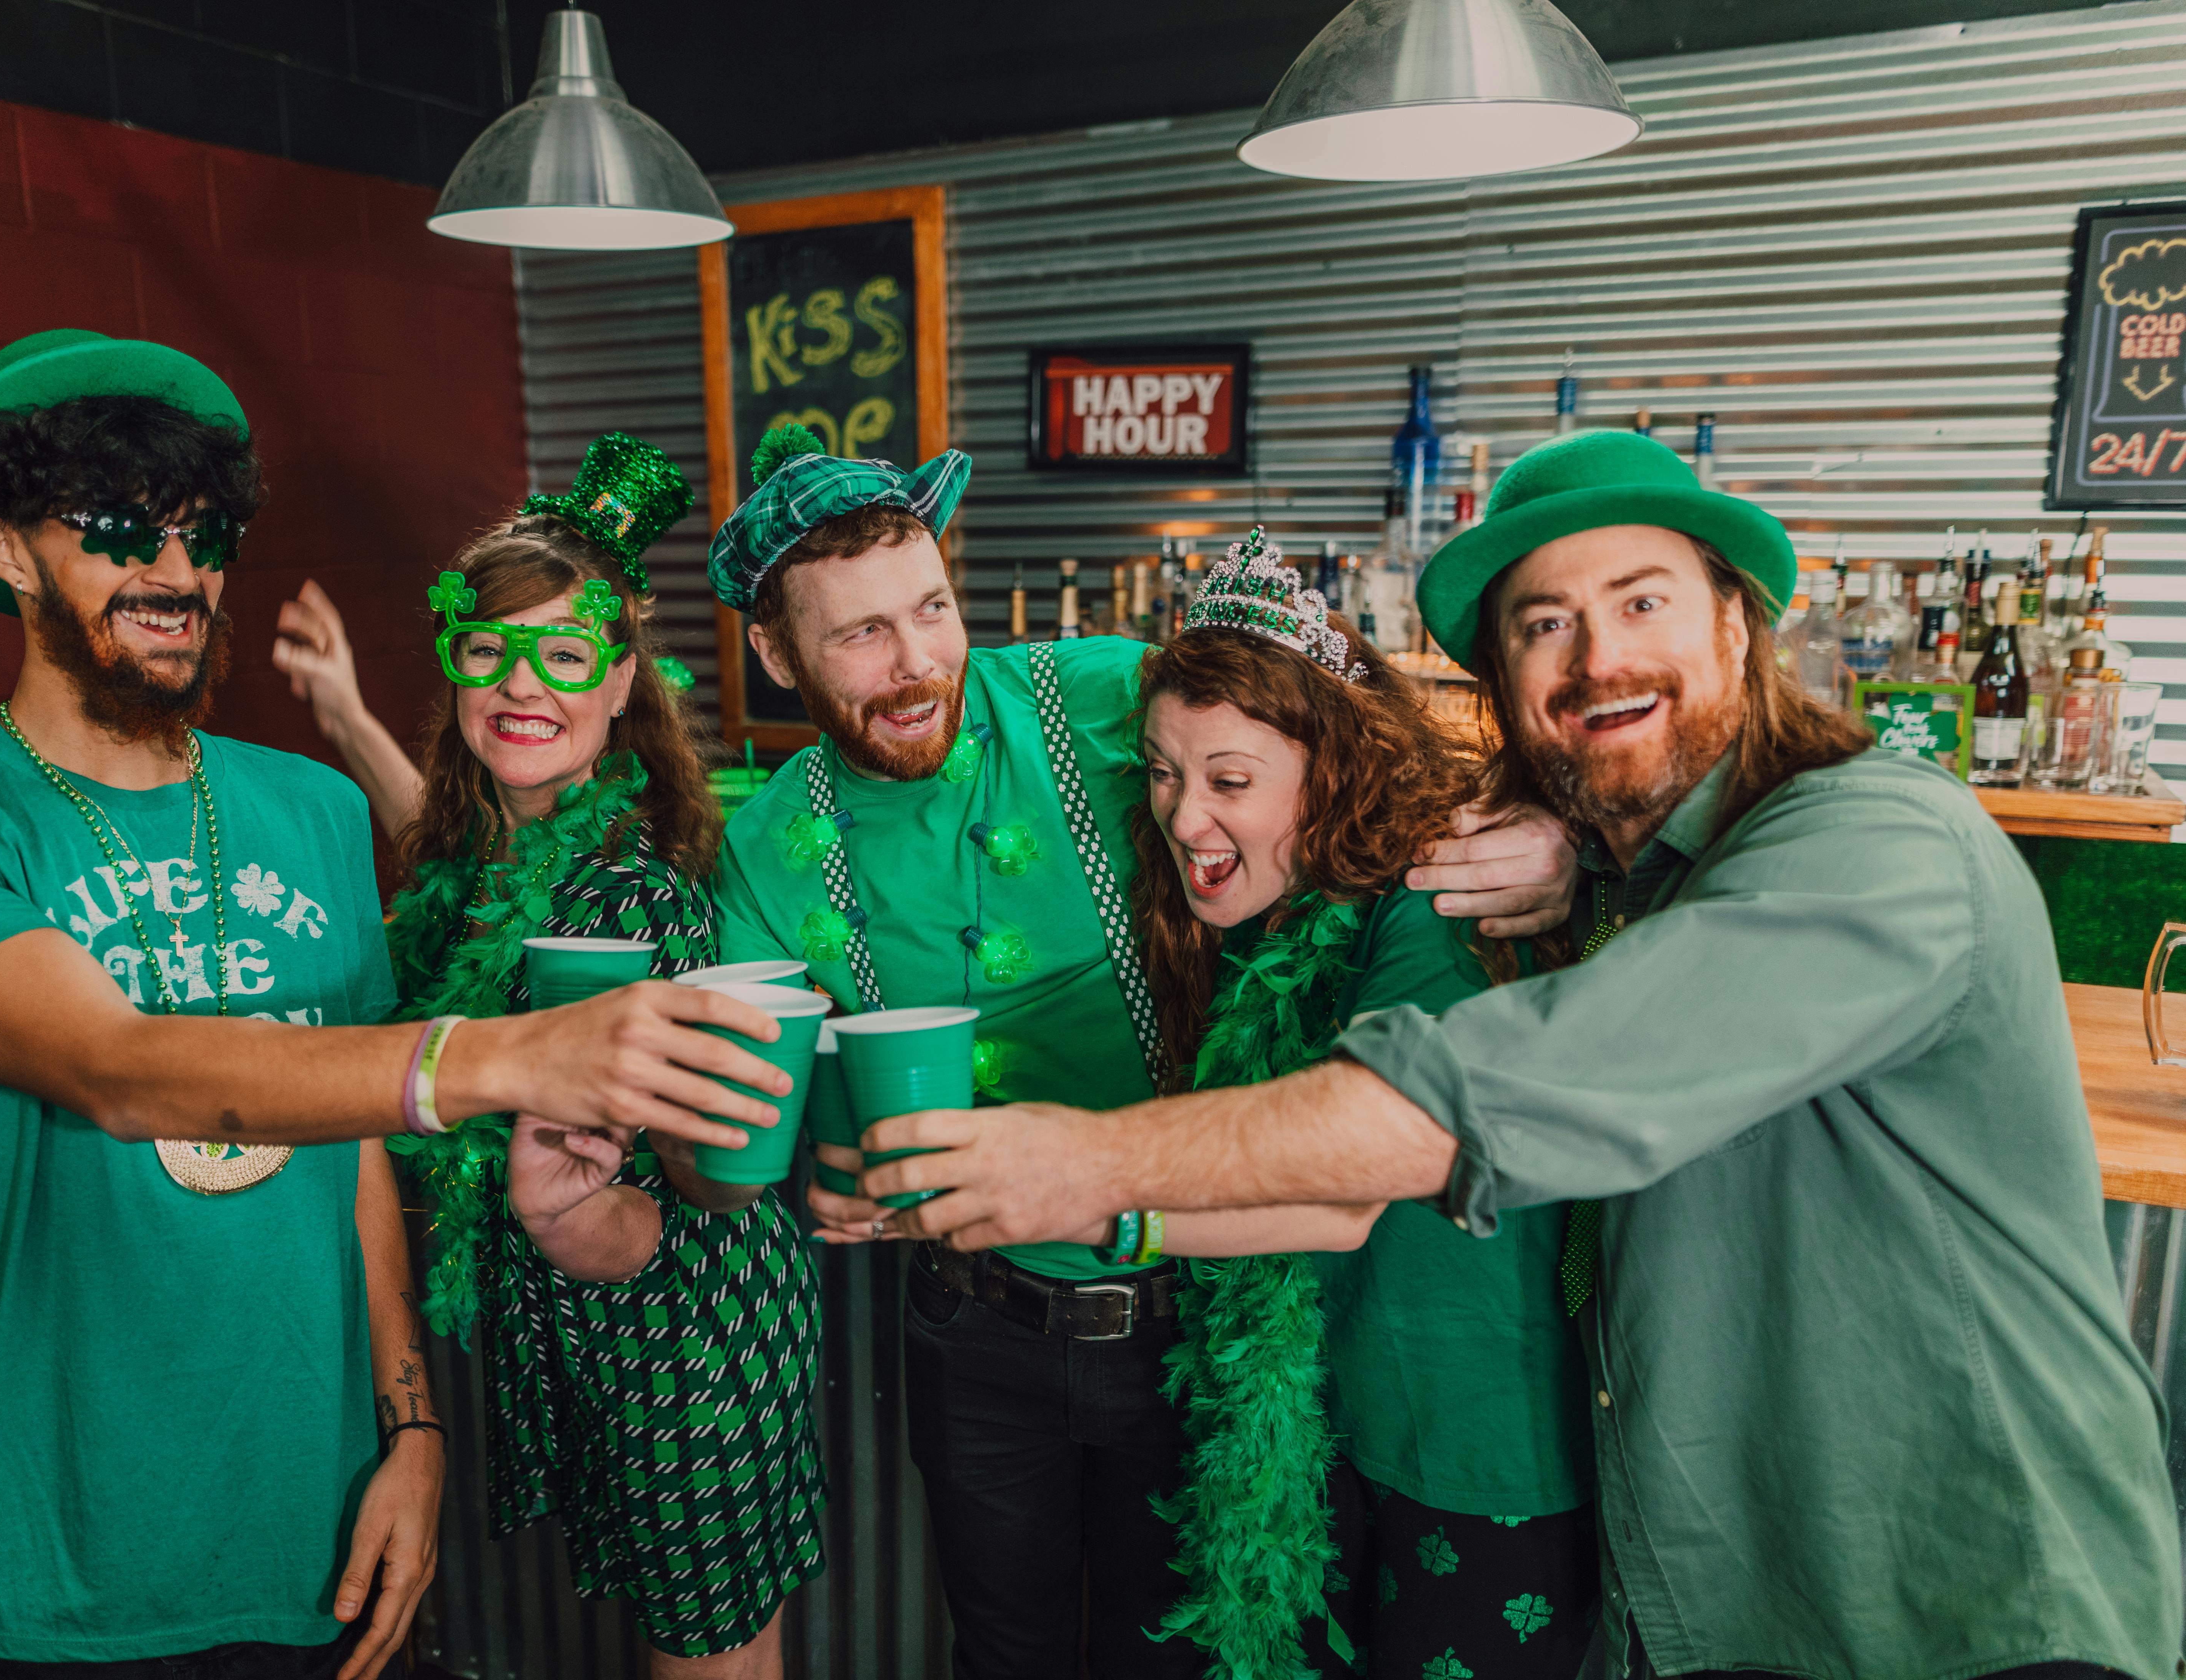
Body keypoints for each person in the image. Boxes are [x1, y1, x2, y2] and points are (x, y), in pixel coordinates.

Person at [861, 430, 2184, 1680]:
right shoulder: (1609, 874)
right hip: (1730, 1591)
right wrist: (1567, 848)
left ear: (1738, 618)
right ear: (1502, 683)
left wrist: (1085, 1172)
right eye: (1545, 625)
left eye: (1643, 601)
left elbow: (1480, 1100)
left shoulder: (1880, 842)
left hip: (1978, 1607)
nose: (1597, 657)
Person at [0, 333, 791, 1680]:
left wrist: (413, 1431)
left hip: (334, 1539)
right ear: (8, 550)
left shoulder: (308, 809)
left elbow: (355, 1139)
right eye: (123, 530)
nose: (177, 575)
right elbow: (116, 1069)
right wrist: (513, 1056)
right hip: (79, 1561)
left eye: (206, 537)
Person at [704, 423, 1581, 1680]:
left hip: (1190, 1314)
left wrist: (1542, 828)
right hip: (976, 1329)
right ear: (778, 652)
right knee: (1002, 1654)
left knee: (1172, 1656)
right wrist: (809, 1173)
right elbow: (753, 1114)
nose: (917, 665)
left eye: (934, 610)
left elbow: (1329, 738)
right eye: (860, 635)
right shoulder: (767, 844)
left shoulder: (1107, 694)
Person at [272, 434, 822, 1679]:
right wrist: (350, 717)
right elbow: (474, 905)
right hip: (576, 1330)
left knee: (709, 1660)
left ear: (623, 682)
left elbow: (676, 1207)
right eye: (491, 649)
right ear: (457, 663)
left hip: (687, 1344)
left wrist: (570, 1227)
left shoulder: (632, 906)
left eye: (566, 655)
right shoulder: (508, 850)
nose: (525, 684)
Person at [1112, 530, 1595, 1680]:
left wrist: (1064, 1192)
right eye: (1165, 773)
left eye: (1230, 781)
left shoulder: (1428, 905)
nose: (1184, 818)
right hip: (1327, 1434)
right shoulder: (1262, 912)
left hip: (1471, 1449)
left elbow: (1339, 1185)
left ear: (1332, 772)